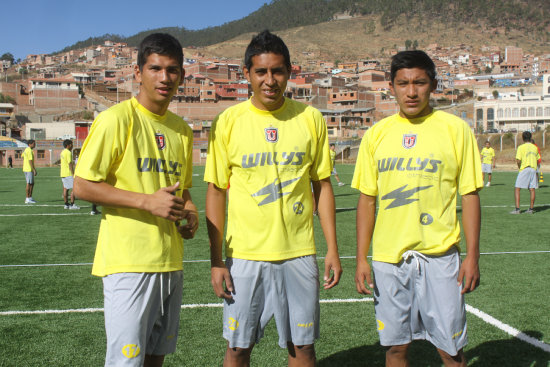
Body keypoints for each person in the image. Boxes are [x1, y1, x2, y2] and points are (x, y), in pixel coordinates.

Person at [204, 30, 342, 367]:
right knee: (238, 348)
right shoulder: (227, 122)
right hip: (244, 256)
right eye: (261, 72)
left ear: (289, 72)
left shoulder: (310, 119)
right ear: (247, 74)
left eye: (277, 71)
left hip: (298, 253)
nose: (270, 80)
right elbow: (216, 191)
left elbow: (322, 186)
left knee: (303, 348)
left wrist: (332, 249)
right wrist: (216, 260)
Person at [73, 33, 198, 367]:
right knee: (126, 363)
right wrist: (147, 202)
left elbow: (181, 190)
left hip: (170, 261)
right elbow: (82, 186)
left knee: (156, 358)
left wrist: (190, 209)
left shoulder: (181, 131)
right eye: (155, 68)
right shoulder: (115, 119)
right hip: (128, 264)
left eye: (172, 70)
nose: (164, 78)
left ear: (182, 75)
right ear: (138, 72)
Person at [352, 50, 482, 367]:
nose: (412, 92)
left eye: (420, 82)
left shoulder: (456, 130)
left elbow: (470, 196)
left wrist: (473, 256)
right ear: (392, 87)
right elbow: (367, 200)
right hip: (388, 260)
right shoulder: (376, 135)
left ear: (432, 85)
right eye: (404, 83)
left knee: (451, 352)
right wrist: (360, 258)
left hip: (441, 258)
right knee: (395, 349)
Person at [510, 131, 540, 214]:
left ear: (523, 138)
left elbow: (518, 160)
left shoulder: (521, 147)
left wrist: (520, 168)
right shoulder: (535, 147)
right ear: (530, 137)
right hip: (533, 169)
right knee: (532, 189)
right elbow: (538, 159)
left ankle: (517, 209)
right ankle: (531, 209)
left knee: (517, 188)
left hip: (525, 168)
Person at [60, 139, 79, 209]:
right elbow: (70, 164)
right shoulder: (68, 152)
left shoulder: (62, 152)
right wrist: (73, 173)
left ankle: (66, 204)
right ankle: (72, 204)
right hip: (68, 173)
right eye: (71, 144)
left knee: (65, 189)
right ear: (68, 145)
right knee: (74, 189)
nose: (72, 146)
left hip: (63, 173)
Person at [23, 139, 37, 204]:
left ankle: (30, 197)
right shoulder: (29, 150)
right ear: (30, 144)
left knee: (32, 183)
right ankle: (27, 198)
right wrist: (34, 169)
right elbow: (30, 160)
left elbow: (22, 156)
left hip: (26, 168)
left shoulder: (26, 149)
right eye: (34, 143)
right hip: (28, 169)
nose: (35, 144)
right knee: (29, 183)